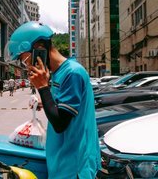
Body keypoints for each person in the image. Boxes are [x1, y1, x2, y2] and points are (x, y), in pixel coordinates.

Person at [6, 22, 101, 178]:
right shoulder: (57, 73)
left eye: (26, 60)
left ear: (39, 48)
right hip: (62, 161)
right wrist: (45, 99)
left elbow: (60, 122)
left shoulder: (72, 73)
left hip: (74, 167)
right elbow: (61, 107)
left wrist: (43, 88)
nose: (27, 65)